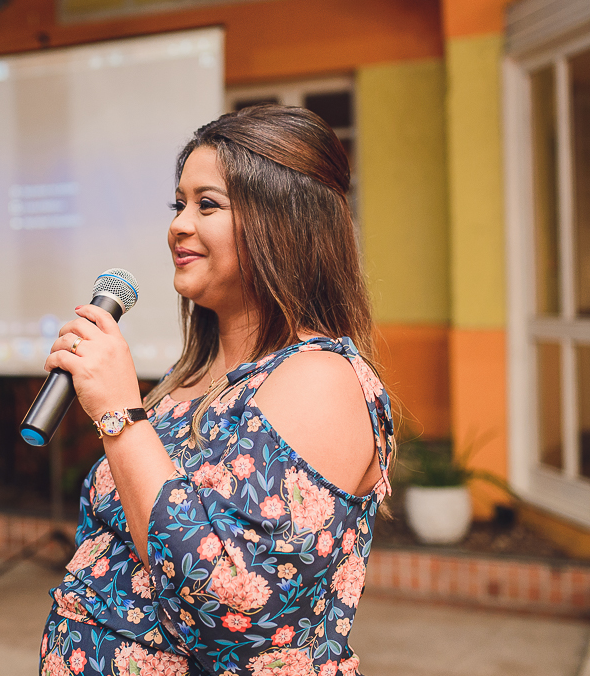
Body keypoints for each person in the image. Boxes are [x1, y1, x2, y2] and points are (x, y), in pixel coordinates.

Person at [39, 104, 394, 676]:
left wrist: (120, 417)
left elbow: (233, 609)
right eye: (179, 204)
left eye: (208, 204)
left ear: (283, 223)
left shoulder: (320, 379)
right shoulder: (184, 385)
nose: (179, 224)